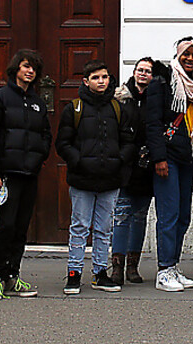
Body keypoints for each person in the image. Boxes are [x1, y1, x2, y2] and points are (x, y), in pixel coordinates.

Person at [56, 60, 135, 295]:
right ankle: (74, 273)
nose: (101, 81)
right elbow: (63, 143)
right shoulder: (74, 108)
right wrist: (78, 161)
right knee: (79, 226)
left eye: (104, 77)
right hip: (82, 179)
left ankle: (101, 273)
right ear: (86, 81)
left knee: (103, 228)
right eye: (95, 78)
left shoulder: (118, 108)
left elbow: (129, 141)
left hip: (110, 179)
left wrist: (119, 160)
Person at [0, 49, 52, 301]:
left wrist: (38, 158)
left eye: (33, 68)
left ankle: (13, 275)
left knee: (21, 227)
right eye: (25, 66)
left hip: (28, 173)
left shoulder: (37, 102)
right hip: (5, 175)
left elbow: (45, 135)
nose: (29, 71)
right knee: (7, 226)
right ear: (16, 69)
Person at [147, 37, 193, 292]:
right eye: (186, 54)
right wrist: (158, 158)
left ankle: (174, 265)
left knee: (183, 216)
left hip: (187, 157)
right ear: (178, 55)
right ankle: (164, 269)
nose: (190, 59)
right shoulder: (163, 82)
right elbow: (153, 122)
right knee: (168, 215)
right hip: (167, 157)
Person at [111, 57, 159, 285]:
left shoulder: (156, 99)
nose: (143, 74)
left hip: (146, 168)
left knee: (140, 218)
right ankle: (116, 267)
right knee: (121, 215)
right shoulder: (120, 97)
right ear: (133, 72)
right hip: (125, 166)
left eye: (148, 71)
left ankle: (133, 266)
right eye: (140, 70)